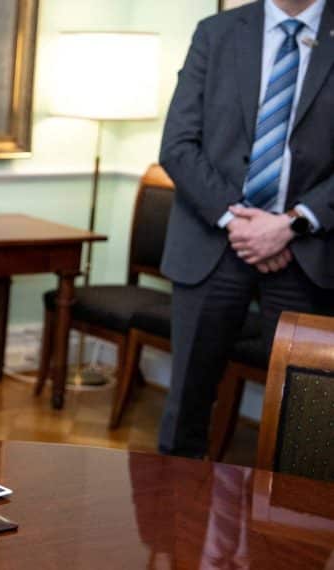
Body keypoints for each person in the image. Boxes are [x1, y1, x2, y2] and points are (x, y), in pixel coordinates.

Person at [158, 0, 334, 458]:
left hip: (309, 256)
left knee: (310, 427)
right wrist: (243, 223)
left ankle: (295, 530)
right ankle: (174, 529)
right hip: (212, 245)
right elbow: (178, 145)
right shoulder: (216, 34)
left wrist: (291, 224)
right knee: (186, 415)